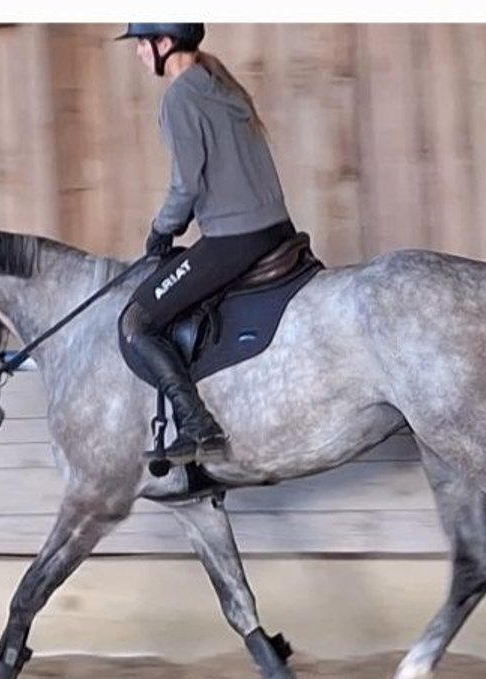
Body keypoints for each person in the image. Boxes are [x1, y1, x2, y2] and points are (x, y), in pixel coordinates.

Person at [115, 23, 298, 465]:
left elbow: (186, 185)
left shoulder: (180, 98)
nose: (139, 54)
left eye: (142, 44)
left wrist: (162, 230)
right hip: (277, 229)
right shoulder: (220, 84)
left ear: (165, 44)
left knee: (137, 322)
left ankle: (198, 426)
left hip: (235, 240)